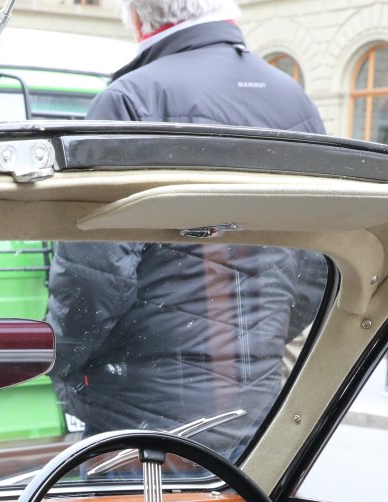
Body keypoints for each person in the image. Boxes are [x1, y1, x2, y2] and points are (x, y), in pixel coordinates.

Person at [45, 0, 325, 455]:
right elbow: (317, 260)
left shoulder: (131, 99)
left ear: (140, 18)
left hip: (138, 416)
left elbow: (94, 275)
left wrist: (61, 356)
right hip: (255, 409)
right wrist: (256, 339)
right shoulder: (293, 100)